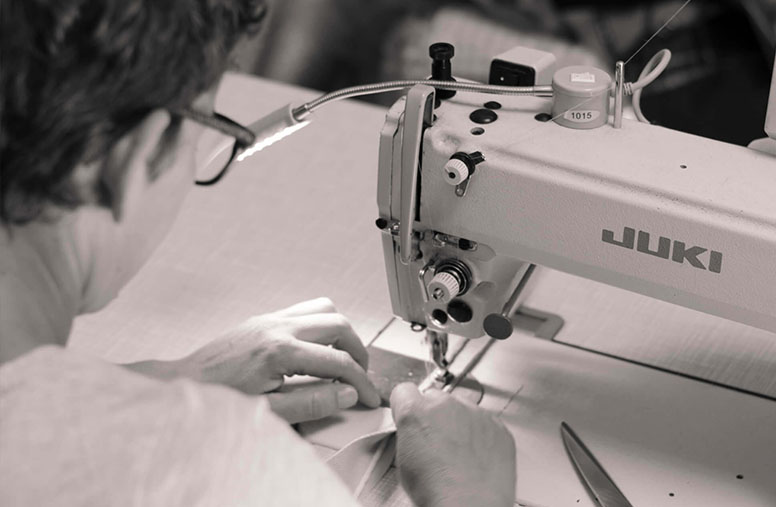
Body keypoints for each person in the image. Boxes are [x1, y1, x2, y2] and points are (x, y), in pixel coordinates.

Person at [0, 1, 516, 506]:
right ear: (140, 155)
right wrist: (470, 494)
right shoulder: (216, 468)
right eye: (205, 131)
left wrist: (149, 384)